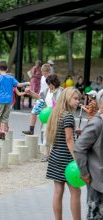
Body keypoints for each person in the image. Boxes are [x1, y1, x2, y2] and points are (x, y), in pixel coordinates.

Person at [46, 87, 81, 220]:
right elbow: (69, 139)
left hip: (55, 156)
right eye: (75, 99)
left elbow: (64, 135)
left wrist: (74, 131)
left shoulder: (57, 114)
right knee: (76, 192)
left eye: (79, 99)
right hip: (66, 159)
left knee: (58, 191)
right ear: (67, 98)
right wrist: (76, 159)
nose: (78, 101)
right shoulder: (68, 117)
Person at [75, 89, 103, 220]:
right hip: (97, 182)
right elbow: (79, 148)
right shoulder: (97, 123)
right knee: (95, 216)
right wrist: (84, 173)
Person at [0, 61, 29, 140]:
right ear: (7, 69)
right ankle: (3, 133)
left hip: (0, 100)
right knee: (5, 117)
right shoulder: (11, 78)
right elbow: (19, 85)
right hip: (9, 100)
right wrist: (27, 83)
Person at [39, 75, 63, 162]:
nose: (48, 86)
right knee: (45, 135)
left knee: (55, 136)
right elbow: (40, 98)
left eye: (49, 84)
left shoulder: (60, 91)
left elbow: (61, 104)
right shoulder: (46, 91)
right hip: (46, 117)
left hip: (55, 117)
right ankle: (46, 155)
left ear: (53, 83)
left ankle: (54, 155)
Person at [22, 64, 51, 135]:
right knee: (33, 112)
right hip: (40, 97)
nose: (43, 73)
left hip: (47, 97)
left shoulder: (50, 78)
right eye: (42, 71)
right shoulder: (42, 78)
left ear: (47, 71)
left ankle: (48, 131)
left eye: (44, 72)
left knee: (46, 116)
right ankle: (31, 130)